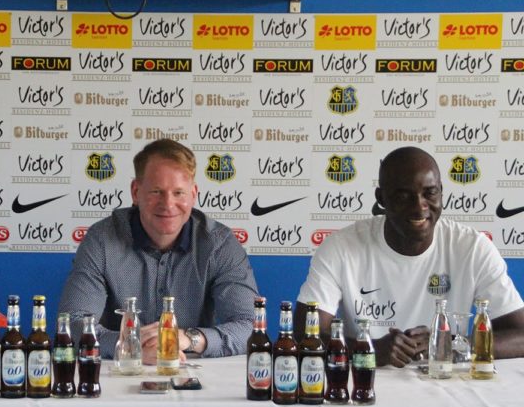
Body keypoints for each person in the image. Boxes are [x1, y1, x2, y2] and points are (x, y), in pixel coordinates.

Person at [296, 146, 524, 367]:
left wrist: (449, 343)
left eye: (430, 193)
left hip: (449, 389)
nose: (419, 207)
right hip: (366, 386)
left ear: (441, 192)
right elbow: (302, 335)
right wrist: (370, 349)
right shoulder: (340, 247)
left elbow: (520, 336)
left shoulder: (473, 247)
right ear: (381, 198)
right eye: (404, 196)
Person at [58, 139, 259, 363]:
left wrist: (187, 339)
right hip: (119, 372)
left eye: (179, 193)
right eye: (156, 191)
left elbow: (250, 325)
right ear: (136, 192)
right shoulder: (102, 240)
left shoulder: (219, 244)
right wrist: (130, 345)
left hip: (191, 372)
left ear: (194, 194)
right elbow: (73, 323)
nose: (168, 204)